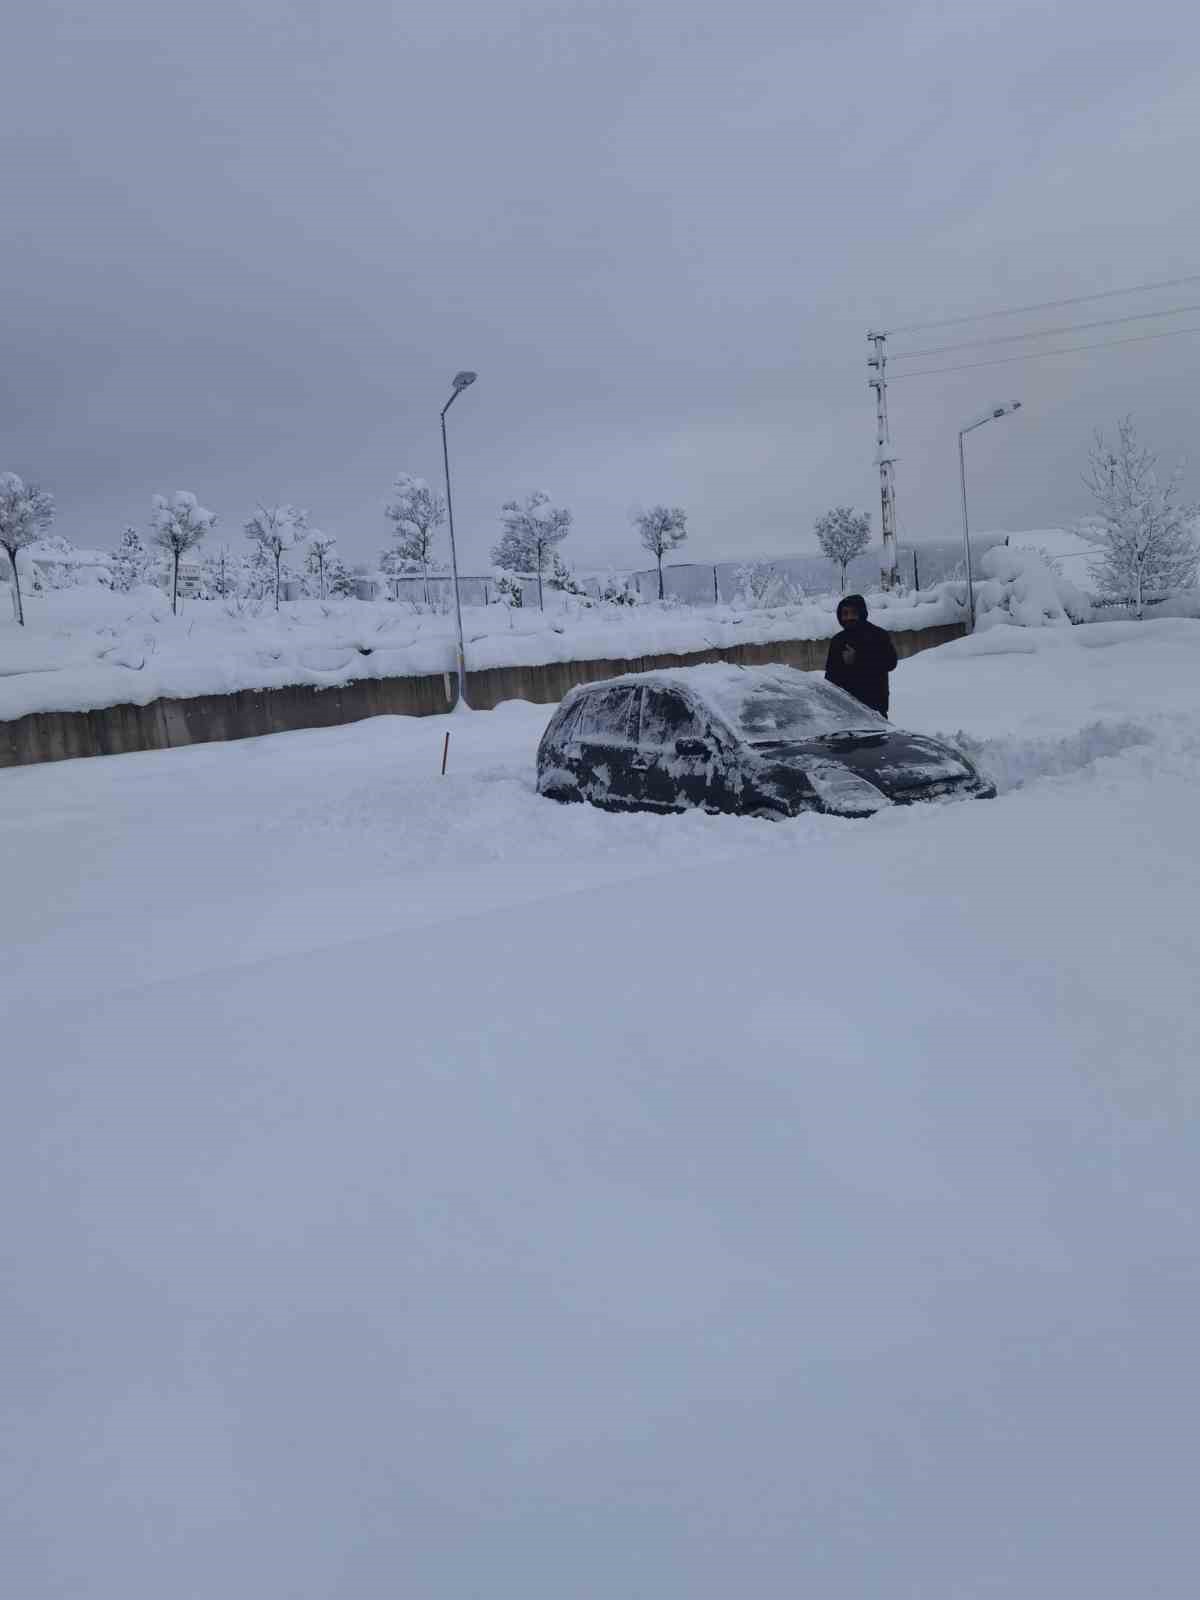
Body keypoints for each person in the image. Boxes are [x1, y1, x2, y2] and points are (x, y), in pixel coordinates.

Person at [824, 593, 898, 718]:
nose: (848, 618)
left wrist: (858, 659)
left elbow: (890, 663)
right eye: (845, 614)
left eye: (853, 613)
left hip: (874, 709)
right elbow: (830, 677)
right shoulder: (838, 640)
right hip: (845, 711)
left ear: (861, 613)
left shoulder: (878, 635)